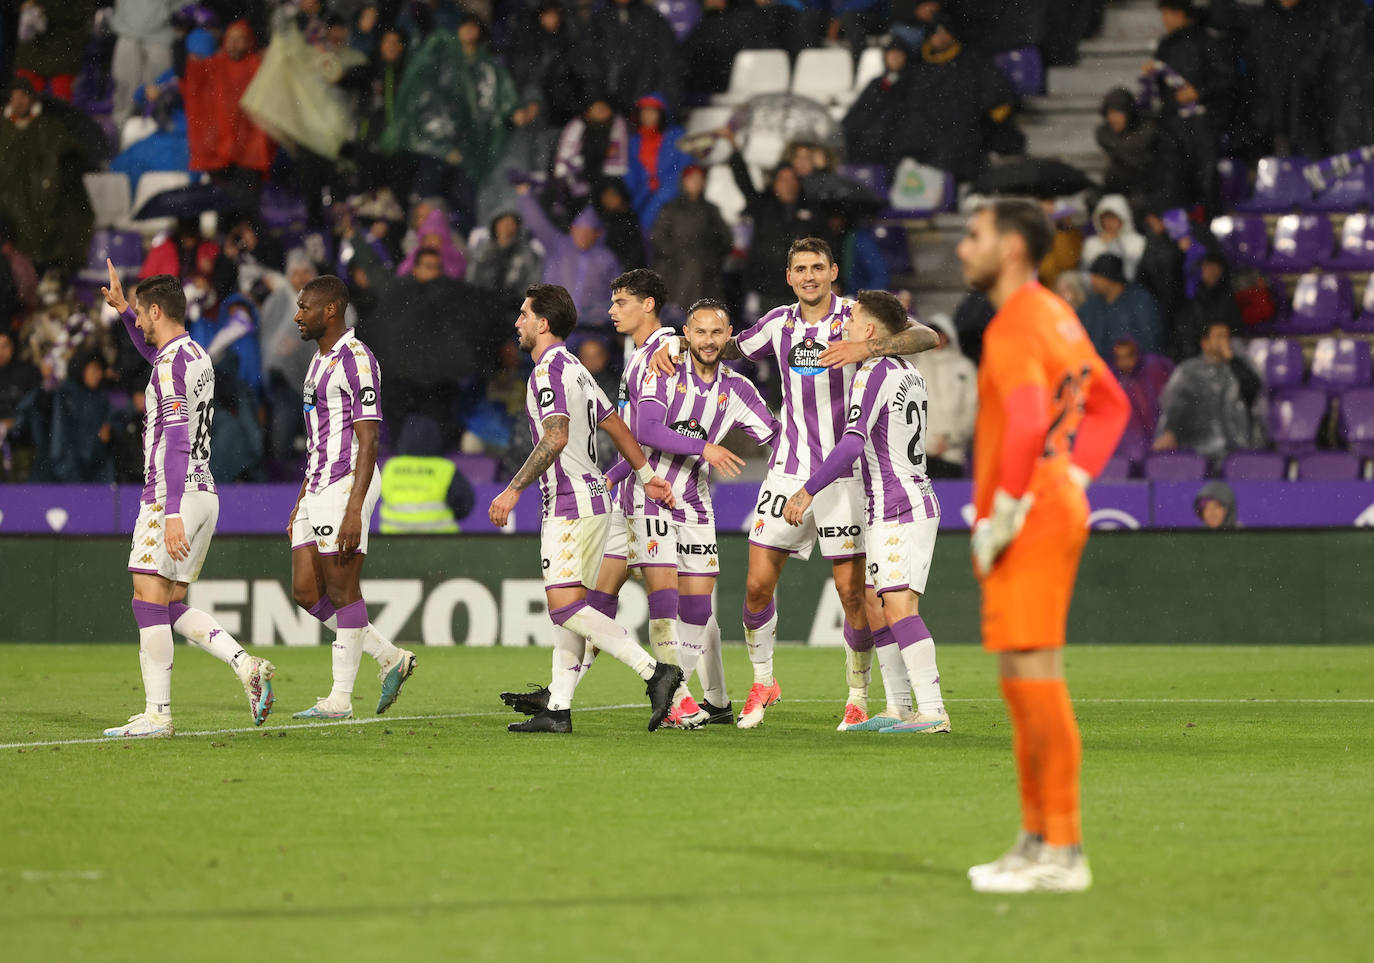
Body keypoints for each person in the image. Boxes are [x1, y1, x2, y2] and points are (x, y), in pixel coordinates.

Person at [651, 237, 939, 729]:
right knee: (757, 586)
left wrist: (867, 346)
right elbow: (725, 345)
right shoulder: (778, 324)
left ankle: (858, 695)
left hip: (847, 474)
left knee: (854, 597)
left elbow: (927, 336)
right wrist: (675, 341)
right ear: (789, 277)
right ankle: (763, 679)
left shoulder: (856, 318)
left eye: (817, 268)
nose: (809, 276)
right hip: (788, 469)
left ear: (832, 274)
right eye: (800, 269)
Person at [954, 199, 1129, 893]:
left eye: (975, 236)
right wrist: (1075, 472)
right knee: (1024, 678)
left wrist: (1006, 507)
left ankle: (1061, 847)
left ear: (1014, 249)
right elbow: (1110, 404)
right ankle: (1038, 841)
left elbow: (1026, 419)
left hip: (1030, 513)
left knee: (1035, 680)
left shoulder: (1015, 322)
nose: (963, 248)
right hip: (1054, 501)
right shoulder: (1056, 313)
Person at [489, 282, 684, 733]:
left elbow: (555, 435)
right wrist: (649, 476)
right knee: (574, 609)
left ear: (542, 323)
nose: (517, 322)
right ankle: (558, 707)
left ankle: (655, 672)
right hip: (597, 499)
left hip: (570, 504)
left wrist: (513, 489)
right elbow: (615, 425)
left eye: (523, 315)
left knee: (564, 607)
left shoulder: (547, 372)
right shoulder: (575, 367)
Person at [99, 261, 276, 738]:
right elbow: (155, 360)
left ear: (156, 311)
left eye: (138, 312)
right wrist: (118, 309)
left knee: (145, 601)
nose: (136, 321)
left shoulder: (172, 366)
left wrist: (171, 510)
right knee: (168, 603)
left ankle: (158, 714)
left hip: (170, 495)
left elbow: (176, 437)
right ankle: (245, 665)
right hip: (204, 491)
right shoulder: (192, 354)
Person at [782, 289, 949, 734]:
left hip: (899, 503)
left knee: (899, 606)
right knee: (879, 606)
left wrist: (808, 490)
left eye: (853, 320)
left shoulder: (872, 373)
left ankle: (932, 710)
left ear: (871, 330)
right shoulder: (908, 370)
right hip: (890, 503)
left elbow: (853, 442)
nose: (846, 326)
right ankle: (897, 706)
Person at [287, 275, 418, 720]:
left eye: (305, 307)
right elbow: (317, 437)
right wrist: (302, 496)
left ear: (330, 310)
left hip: (346, 482)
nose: (297, 315)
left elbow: (370, 439)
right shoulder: (317, 361)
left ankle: (339, 699)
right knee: (306, 591)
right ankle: (389, 657)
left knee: (343, 589)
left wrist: (355, 508)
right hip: (317, 481)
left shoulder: (357, 361)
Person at [1153, 320, 1262, 465]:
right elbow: (1174, 404)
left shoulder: (1237, 367)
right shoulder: (1188, 371)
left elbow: (1252, 388)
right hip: (1195, 448)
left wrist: (1231, 358)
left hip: (1233, 450)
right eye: (1218, 336)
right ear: (1205, 343)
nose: (1224, 341)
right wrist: (1170, 431)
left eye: (1226, 336)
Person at [516, 184, 622, 326]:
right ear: (572, 230)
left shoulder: (607, 258)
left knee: (592, 349)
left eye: (587, 232)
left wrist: (601, 316)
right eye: (579, 230)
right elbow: (537, 222)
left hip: (592, 328)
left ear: (598, 234)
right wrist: (525, 195)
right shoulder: (558, 245)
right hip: (553, 322)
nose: (582, 236)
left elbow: (618, 294)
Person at [651, 165, 733, 313]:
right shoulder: (671, 209)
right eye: (691, 179)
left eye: (699, 179)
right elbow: (658, 238)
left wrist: (709, 256)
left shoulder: (711, 210)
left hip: (706, 274)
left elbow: (725, 240)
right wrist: (679, 256)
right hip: (675, 272)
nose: (696, 182)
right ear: (683, 182)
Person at [920, 312, 978, 477]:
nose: (938, 339)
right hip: (920, 453)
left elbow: (971, 408)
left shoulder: (965, 368)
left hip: (952, 454)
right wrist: (926, 442)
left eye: (941, 333)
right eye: (933, 333)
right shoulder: (916, 364)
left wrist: (951, 439)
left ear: (949, 335)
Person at [1077, 253, 1166, 359]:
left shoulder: (1140, 300)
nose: (1092, 280)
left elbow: (1151, 341)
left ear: (1109, 276)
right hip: (1099, 368)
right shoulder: (1092, 304)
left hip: (1136, 368)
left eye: (1097, 276)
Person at [1095, 87, 1161, 212]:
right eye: (1109, 113)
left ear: (1128, 113)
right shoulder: (1105, 133)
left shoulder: (1148, 129)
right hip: (1118, 187)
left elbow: (1135, 147)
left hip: (1148, 187)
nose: (1112, 118)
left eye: (1117, 113)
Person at [1081, 195, 1146, 282]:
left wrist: (1113, 244)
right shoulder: (1091, 243)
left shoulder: (1137, 242)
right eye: (1105, 218)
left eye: (1113, 217)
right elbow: (1086, 273)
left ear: (1123, 217)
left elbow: (1130, 273)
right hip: (1097, 291)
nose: (1109, 222)